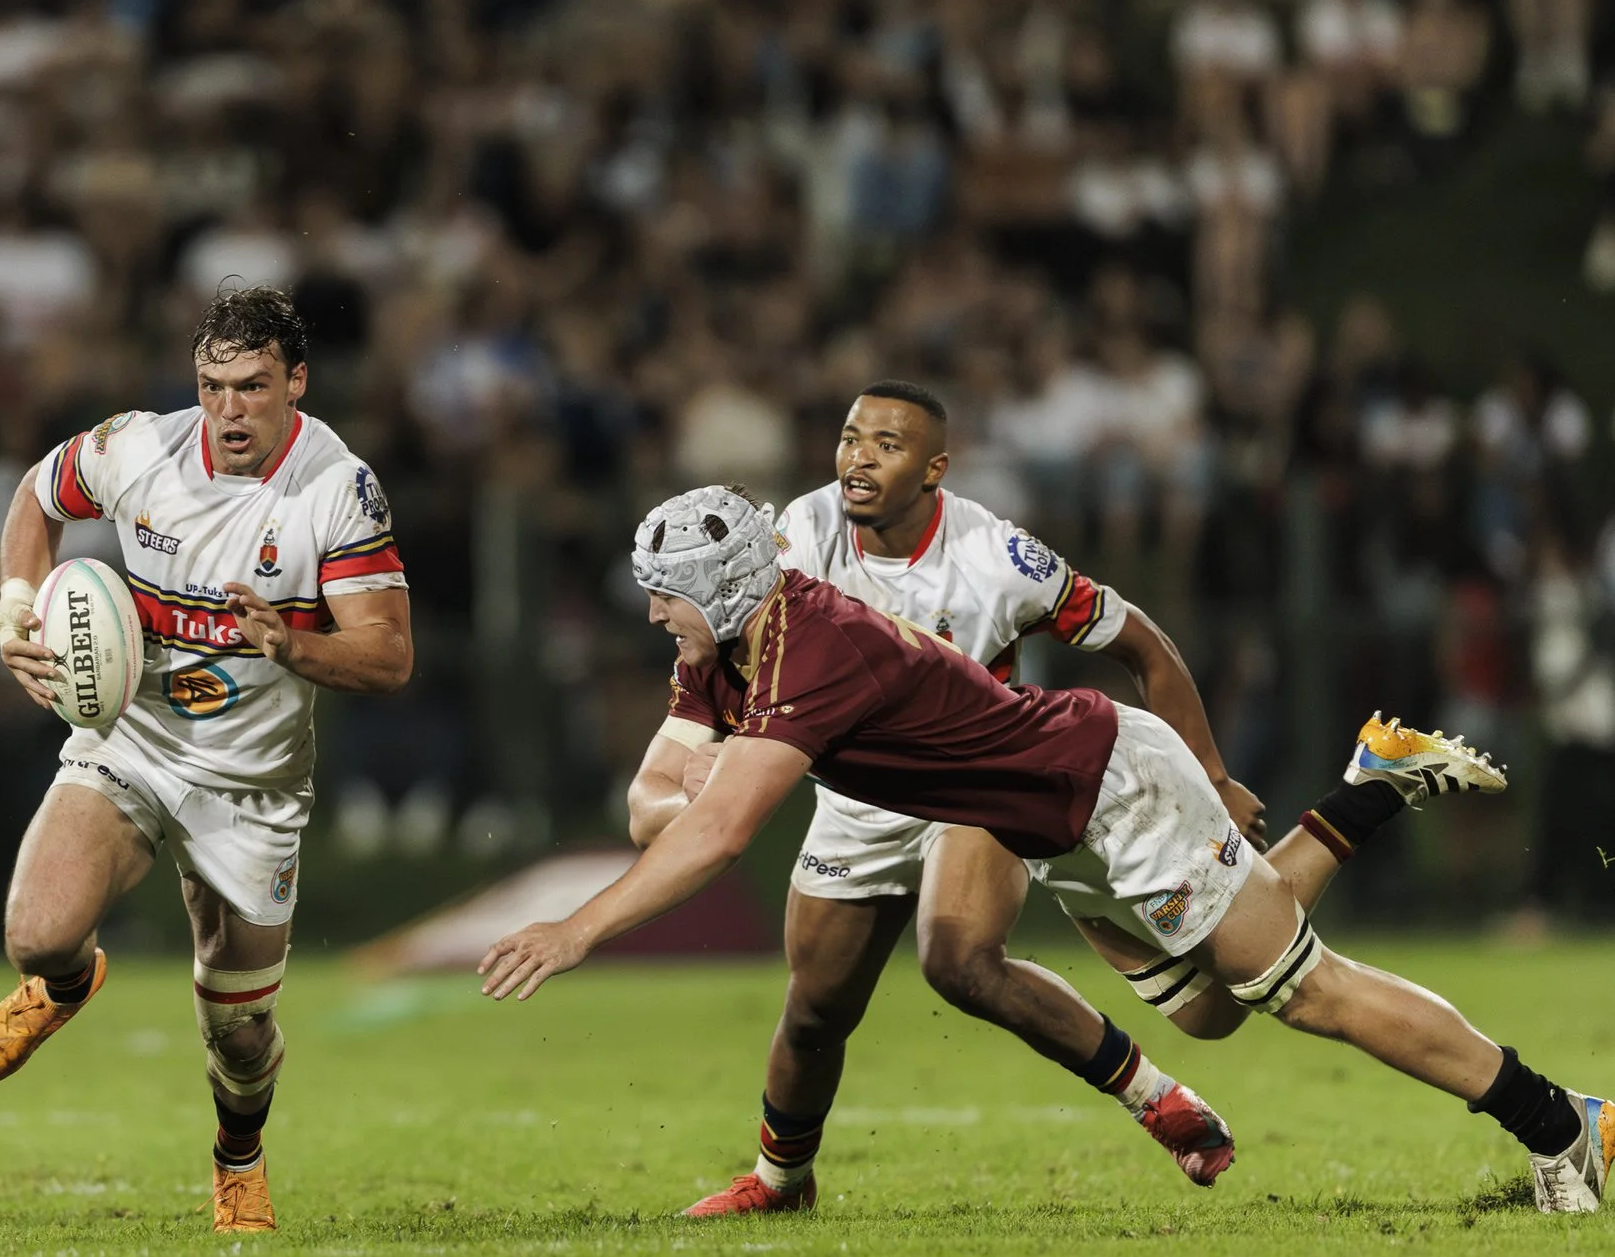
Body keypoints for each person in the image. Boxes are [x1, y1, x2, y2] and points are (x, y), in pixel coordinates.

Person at [480, 490, 1610, 1216]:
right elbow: (658, 808)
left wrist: (574, 926)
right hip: (1042, 819)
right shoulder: (729, 646)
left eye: (662, 597)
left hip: (1109, 784)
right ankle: (1366, 788)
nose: (651, 616)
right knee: (1213, 1009)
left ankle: (1564, 1122)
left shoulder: (812, 647)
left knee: (1303, 990)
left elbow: (719, 831)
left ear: (719, 592)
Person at [639, 384, 1500, 1215]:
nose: (857, 461)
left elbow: (1145, 645)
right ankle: (781, 1180)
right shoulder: (798, 527)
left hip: (973, 783)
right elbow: (736, 648)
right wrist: (705, 746)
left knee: (957, 959)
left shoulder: (997, 558)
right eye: (849, 439)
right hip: (856, 796)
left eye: (886, 444)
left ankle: (1153, 1099)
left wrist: (1211, 773)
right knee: (817, 1006)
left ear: (936, 468)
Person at [0, 285, 412, 1233]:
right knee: (35, 932)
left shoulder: (336, 490)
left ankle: (237, 1160)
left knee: (240, 1033)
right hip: (132, 738)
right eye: (213, 386)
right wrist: (17, 600)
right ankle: (64, 982)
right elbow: (36, 496)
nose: (229, 410)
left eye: (253, 387)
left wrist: (294, 646)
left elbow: (387, 654)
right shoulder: (139, 448)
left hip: (251, 789)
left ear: (296, 381)